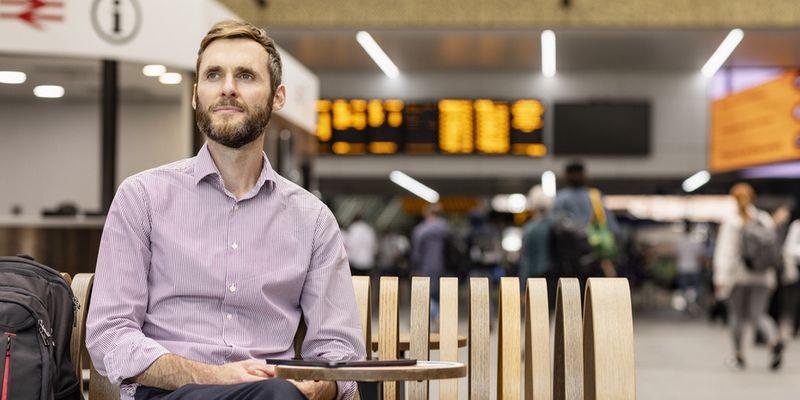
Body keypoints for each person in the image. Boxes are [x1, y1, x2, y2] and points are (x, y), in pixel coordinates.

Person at [85, 20, 365, 400]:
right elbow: (110, 334)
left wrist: (321, 386)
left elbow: (339, 349)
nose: (228, 87)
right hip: (170, 394)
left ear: (277, 97)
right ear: (197, 94)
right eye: (214, 74)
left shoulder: (312, 220)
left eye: (246, 75)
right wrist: (213, 377)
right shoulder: (143, 197)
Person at [713, 182, 783, 370]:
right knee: (759, 315)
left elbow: (725, 252)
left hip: (738, 277)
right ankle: (774, 339)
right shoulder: (764, 218)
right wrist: (772, 277)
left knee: (737, 316)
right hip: (763, 277)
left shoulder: (732, 221)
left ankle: (739, 356)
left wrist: (720, 277)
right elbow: (773, 251)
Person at [552, 161, 618, 279]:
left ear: (566, 176)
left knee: (571, 293)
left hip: (569, 257)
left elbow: (555, 227)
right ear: (585, 176)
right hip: (595, 253)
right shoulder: (595, 196)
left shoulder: (561, 198)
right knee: (594, 293)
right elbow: (612, 227)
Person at [410, 202, 450, 321]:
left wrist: (414, 268)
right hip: (443, 266)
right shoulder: (446, 228)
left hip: (425, 266)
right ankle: (440, 316)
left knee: (426, 294)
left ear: (427, 213)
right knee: (440, 293)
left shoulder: (420, 230)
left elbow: (416, 252)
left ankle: (432, 316)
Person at [519, 185, 557, 309]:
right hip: (559, 276)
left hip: (537, 276)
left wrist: (523, 287)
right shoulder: (558, 224)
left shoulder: (531, 228)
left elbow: (527, 260)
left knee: (538, 315)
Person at [676, 220, 704, 316]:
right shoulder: (695, 240)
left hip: (683, 268)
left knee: (684, 290)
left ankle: (688, 306)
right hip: (694, 268)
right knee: (694, 289)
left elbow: (678, 255)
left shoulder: (680, 241)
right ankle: (692, 305)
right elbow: (699, 256)